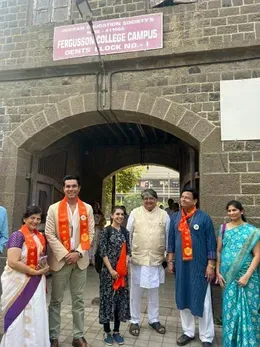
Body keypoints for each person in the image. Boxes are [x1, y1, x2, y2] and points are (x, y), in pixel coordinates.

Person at [45, 175, 95, 347]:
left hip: (80, 261)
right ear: (63, 188)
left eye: (74, 186)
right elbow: (49, 234)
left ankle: (78, 335)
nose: (71, 189)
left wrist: (79, 253)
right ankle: (53, 336)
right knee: (56, 300)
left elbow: (90, 233)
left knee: (78, 300)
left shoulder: (87, 209)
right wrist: (66, 254)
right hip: (61, 261)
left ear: (79, 188)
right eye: (67, 186)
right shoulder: (53, 209)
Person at [167, 187, 216, 347]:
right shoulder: (175, 218)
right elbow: (171, 241)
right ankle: (188, 331)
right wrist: (170, 260)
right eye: (182, 197)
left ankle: (206, 336)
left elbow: (211, 242)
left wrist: (211, 264)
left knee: (204, 301)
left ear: (195, 201)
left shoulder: (204, 218)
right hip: (182, 266)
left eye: (187, 197)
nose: (183, 199)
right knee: (183, 296)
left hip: (200, 265)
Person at [0, 205, 50, 347]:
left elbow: (39, 258)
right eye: (32, 218)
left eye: (38, 219)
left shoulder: (40, 236)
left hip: (36, 281)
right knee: (18, 316)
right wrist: (33, 272)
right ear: (24, 219)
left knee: (36, 313)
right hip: (18, 281)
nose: (35, 221)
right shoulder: (17, 236)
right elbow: (12, 262)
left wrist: (43, 267)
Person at [216, 200, 260, 347]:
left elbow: (257, 255)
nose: (231, 213)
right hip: (227, 277)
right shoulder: (223, 229)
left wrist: (247, 276)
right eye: (229, 211)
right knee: (230, 312)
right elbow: (218, 251)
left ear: (242, 211)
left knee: (249, 310)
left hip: (247, 277)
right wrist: (217, 271)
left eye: (234, 210)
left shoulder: (252, 232)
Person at [127, 189, 170, 337]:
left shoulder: (164, 215)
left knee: (153, 291)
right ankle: (134, 320)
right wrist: (128, 254)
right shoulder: (135, 213)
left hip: (155, 259)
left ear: (156, 200)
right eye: (145, 199)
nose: (148, 201)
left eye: (151, 198)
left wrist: (167, 256)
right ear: (142, 200)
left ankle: (154, 319)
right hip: (138, 259)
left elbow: (168, 235)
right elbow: (128, 234)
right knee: (136, 291)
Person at [99, 206, 131, 346]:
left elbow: (128, 251)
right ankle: (107, 331)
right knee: (107, 300)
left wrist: (125, 266)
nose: (120, 216)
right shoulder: (105, 231)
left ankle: (117, 331)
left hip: (121, 274)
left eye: (122, 214)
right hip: (108, 272)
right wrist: (111, 270)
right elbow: (103, 252)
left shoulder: (125, 232)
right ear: (112, 215)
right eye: (117, 214)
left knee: (119, 301)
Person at [89, 202, 106, 266]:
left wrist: (99, 225)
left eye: (97, 206)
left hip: (98, 231)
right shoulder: (90, 213)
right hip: (91, 230)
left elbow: (104, 222)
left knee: (96, 245)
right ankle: (89, 260)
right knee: (90, 245)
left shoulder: (101, 215)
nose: (96, 207)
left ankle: (94, 260)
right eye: (94, 206)